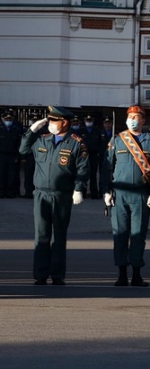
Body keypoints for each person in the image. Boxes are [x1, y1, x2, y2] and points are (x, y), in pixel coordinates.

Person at [19, 106, 89, 285]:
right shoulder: (42, 140)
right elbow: (23, 150)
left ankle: (57, 275)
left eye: (53, 120)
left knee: (58, 236)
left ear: (63, 122)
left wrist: (78, 188)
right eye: (49, 120)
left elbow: (83, 168)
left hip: (62, 195)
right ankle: (40, 274)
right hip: (41, 194)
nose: (49, 124)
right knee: (41, 235)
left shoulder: (76, 143)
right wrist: (32, 130)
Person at [102, 105, 150, 287]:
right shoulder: (117, 140)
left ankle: (136, 273)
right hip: (119, 194)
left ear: (143, 121)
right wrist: (105, 191)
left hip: (141, 194)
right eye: (130, 117)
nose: (133, 120)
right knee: (120, 234)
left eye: (137, 117)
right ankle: (121, 273)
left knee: (138, 235)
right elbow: (107, 168)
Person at [81, 114, 106, 198]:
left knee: (93, 175)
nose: (89, 122)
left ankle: (94, 193)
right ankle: (82, 192)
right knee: (83, 173)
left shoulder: (97, 131)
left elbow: (101, 144)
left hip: (94, 155)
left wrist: (99, 152)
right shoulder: (81, 131)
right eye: (87, 121)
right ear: (84, 121)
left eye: (90, 121)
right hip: (83, 155)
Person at [0, 109, 23, 198]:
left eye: (10, 120)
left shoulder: (16, 129)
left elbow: (19, 144)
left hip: (12, 155)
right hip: (1, 155)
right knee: (1, 174)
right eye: (6, 120)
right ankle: (1, 192)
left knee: (12, 175)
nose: (8, 121)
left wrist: (18, 156)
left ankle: (11, 192)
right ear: (2, 118)